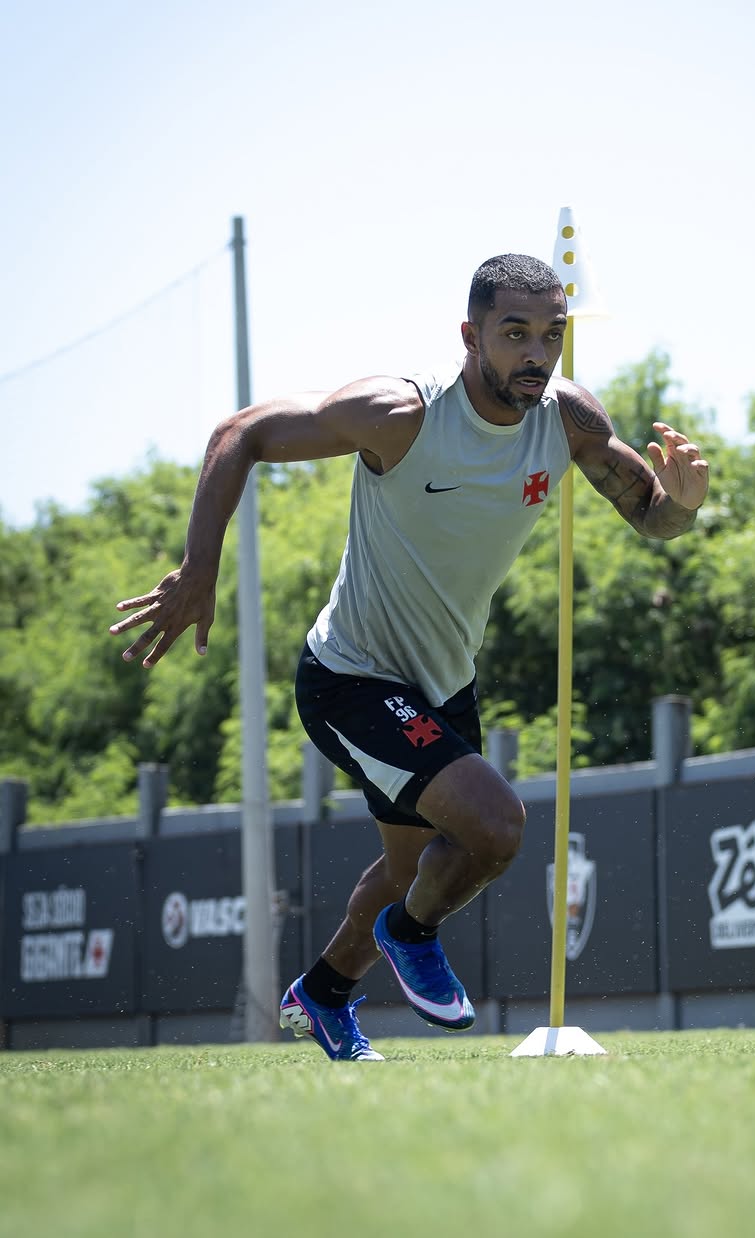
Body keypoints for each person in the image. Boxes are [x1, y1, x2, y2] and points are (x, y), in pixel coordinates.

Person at [111, 253, 709, 1061]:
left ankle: (324, 994)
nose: (537, 354)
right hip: (351, 677)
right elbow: (240, 432)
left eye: (552, 334)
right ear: (470, 336)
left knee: (413, 868)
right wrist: (199, 570)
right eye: (515, 334)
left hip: (443, 684)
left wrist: (684, 506)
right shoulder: (403, 415)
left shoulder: (567, 421)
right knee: (495, 826)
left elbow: (652, 516)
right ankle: (412, 934)